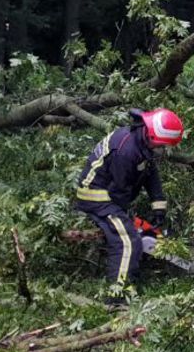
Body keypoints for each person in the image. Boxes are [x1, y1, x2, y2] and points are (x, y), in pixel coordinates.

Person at [73, 108, 183, 304]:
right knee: (128, 241)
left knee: (132, 231)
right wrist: (127, 221)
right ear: (151, 135)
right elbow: (119, 192)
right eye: (161, 145)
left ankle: (129, 282)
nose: (161, 150)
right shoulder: (126, 151)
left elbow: (151, 175)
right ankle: (117, 296)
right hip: (97, 197)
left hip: (110, 195)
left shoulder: (141, 142)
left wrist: (158, 207)